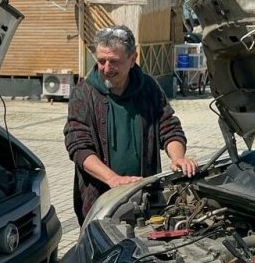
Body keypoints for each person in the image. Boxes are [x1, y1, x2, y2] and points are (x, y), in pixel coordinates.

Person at [64, 25, 198, 224]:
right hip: (100, 202)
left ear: (132, 59)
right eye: (101, 61)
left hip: (145, 198)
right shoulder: (83, 93)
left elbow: (169, 127)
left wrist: (178, 157)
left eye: (114, 62)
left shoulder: (149, 88)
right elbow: (79, 146)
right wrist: (113, 179)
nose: (106, 68)